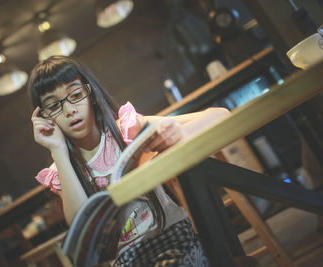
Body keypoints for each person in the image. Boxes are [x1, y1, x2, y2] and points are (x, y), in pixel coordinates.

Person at [28, 55, 230, 266]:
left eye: (76, 94)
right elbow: (85, 230)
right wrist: (58, 150)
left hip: (173, 238)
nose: (69, 110)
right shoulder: (62, 169)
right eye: (54, 106)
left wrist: (179, 134)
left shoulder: (126, 128)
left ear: (91, 94)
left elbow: (219, 115)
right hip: (126, 261)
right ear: (45, 117)